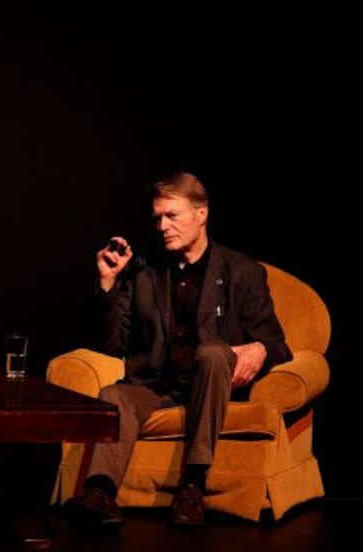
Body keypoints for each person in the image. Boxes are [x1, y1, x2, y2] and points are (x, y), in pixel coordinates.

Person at [64, 171, 292, 528]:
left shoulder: (242, 270)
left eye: (172, 215)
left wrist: (261, 349)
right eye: (157, 218)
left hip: (210, 386)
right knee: (114, 394)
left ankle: (193, 485)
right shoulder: (143, 271)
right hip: (155, 387)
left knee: (214, 352)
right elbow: (114, 345)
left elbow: (276, 342)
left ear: (201, 213)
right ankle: (99, 493)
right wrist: (108, 284)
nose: (162, 226)